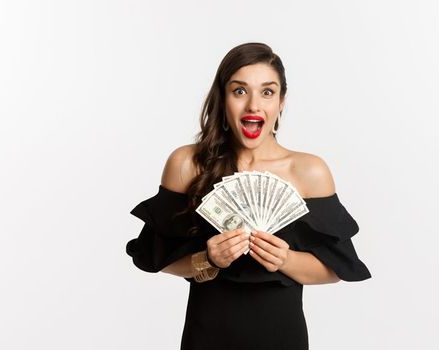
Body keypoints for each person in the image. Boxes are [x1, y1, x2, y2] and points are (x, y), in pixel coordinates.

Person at [126, 42, 371, 350]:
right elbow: (156, 258)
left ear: (281, 101)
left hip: (282, 336)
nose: (253, 105)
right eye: (239, 91)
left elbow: (336, 269)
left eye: (267, 92)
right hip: (207, 336)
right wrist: (208, 259)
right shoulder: (187, 164)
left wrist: (285, 258)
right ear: (222, 98)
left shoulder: (310, 171)